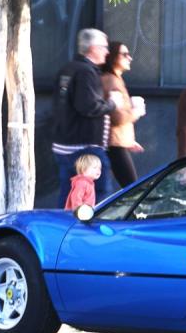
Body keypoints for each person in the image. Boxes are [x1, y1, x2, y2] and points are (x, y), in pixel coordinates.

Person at [52, 28, 117, 207]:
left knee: (68, 199)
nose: (107, 51)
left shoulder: (68, 69)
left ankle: (64, 232)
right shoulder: (86, 72)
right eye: (104, 47)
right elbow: (88, 107)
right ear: (94, 48)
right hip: (84, 148)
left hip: (64, 145)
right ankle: (94, 234)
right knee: (99, 199)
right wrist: (112, 104)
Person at [101, 41, 145, 189]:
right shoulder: (111, 80)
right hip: (114, 145)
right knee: (133, 189)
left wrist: (128, 140)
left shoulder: (115, 79)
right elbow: (117, 117)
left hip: (118, 143)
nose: (130, 58)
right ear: (113, 57)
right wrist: (137, 111)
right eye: (125, 54)